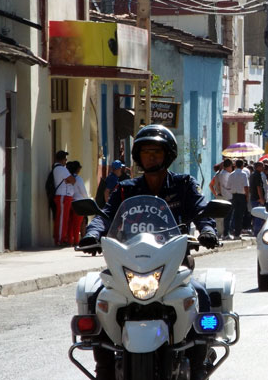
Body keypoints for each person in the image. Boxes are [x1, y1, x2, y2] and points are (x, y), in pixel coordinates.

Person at [79, 125, 218, 380]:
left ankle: (198, 368)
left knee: (201, 296)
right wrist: (92, 234)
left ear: (168, 155)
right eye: (145, 152)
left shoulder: (184, 184)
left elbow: (201, 210)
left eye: (156, 151)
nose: (151, 157)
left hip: (173, 266)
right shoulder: (125, 189)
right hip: (128, 266)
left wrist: (208, 230)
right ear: (138, 156)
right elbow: (106, 216)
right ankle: (105, 368)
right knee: (97, 298)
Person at [52, 150, 75, 246]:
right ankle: (60, 239)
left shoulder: (58, 168)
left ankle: (61, 237)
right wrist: (68, 180)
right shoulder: (61, 169)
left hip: (64, 195)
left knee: (63, 218)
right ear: (62, 160)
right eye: (65, 159)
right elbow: (72, 180)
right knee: (62, 219)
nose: (66, 161)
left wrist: (68, 180)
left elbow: (69, 180)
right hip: (62, 195)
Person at [66, 160, 88, 246]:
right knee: (77, 224)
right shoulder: (78, 179)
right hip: (79, 203)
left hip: (70, 201)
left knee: (70, 223)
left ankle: (69, 241)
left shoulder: (68, 178)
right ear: (77, 169)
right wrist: (87, 199)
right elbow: (83, 192)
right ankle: (76, 241)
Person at [227, 159, 249, 239]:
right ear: (242, 165)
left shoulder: (231, 174)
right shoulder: (244, 174)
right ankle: (237, 233)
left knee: (234, 214)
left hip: (234, 196)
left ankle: (234, 231)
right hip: (242, 196)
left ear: (235, 165)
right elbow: (246, 186)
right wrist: (247, 196)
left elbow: (228, 186)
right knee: (240, 215)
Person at [212, 159, 234, 239]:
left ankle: (220, 232)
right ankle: (224, 233)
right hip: (226, 196)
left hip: (221, 195)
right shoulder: (226, 174)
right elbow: (228, 186)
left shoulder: (220, 174)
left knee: (220, 216)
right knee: (225, 217)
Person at [249, 162, 267, 236]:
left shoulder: (253, 174)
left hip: (254, 197)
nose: (263, 168)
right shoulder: (257, 175)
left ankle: (256, 232)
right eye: (262, 166)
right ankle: (257, 233)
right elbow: (258, 187)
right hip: (257, 199)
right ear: (258, 167)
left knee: (256, 216)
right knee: (259, 216)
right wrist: (261, 198)